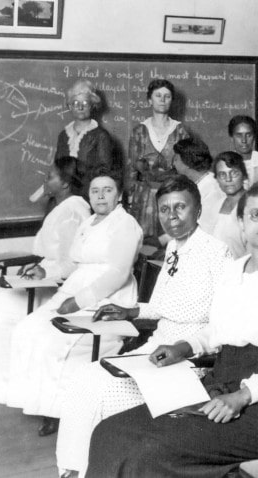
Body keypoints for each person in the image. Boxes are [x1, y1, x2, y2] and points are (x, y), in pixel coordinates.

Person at [85, 180, 258, 478]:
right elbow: (217, 331)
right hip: (218, 386)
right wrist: (182, 347)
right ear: (241, 223)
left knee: (148, 452)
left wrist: (243, 396)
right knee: (110, 431)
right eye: (256, 215)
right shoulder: (234, 271)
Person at [55, 175, 233, 478]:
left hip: (190, 361)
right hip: (154, 351)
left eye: (180, 208)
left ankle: (100, 470)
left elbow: (224, 328)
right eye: (164, 209)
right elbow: (163, 307)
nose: (172, 217)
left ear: (198, 210)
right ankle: (72, 470)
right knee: (82, 378)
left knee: (106, 392)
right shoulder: (175, 248)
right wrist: (130, 309)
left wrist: (182, 348)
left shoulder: (218, 254)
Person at [5, 167, 143, 436]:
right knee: (27, 328)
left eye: (108, 190)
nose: (101, 196)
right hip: (74, 290)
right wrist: (45, 271)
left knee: (52, 339)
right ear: (88, 195)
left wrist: (78, 302)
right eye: (95, 190)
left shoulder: (125, 224)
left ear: (119, 195)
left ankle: (59, 411)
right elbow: (73, 264)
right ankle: (40, 402)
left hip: (107, 298)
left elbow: (117, 274)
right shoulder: (88, 222)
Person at [0, 157, 91, 404]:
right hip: (43, 281)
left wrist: (45, 273)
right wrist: (38, 266)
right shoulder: (62, 207)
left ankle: (5, 386)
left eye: (50, 176)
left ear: (65, 184)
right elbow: (52, 254)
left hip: (56, 290)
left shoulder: (73, 212)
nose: (44, 180)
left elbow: (73, 263)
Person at [127, 79, 191, 245]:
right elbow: (133, 168)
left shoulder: (180, 130)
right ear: (150, 100)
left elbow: (186, 167)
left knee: (171, 241)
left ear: (172, 100)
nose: (162, 100)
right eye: (158, 96)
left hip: (171, 194)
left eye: (167, 96)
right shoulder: (139, 131)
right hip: (144, 197)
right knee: (144, 244)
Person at [54, 80, 117, 189]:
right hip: (64, 194)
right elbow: (57, 167)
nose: (80, 107)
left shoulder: (101, 135)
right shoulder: (63, 135)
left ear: (93, 106)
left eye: (85, 103)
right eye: (75, 103)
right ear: (70, 106)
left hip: (90, 192)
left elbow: (105, 171)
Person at [198, 151, 248, 258]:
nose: (228, 179)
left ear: (244, 176)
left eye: (234, 173)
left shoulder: (252, 205)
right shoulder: (217, 205)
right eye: (222, 174)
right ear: (217, 179)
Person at [173, 138, 224, 233]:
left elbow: (204, 230)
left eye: (176, 159)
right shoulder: (200, 183)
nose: (173, 164)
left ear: (187, 162)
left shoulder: (211, 189)